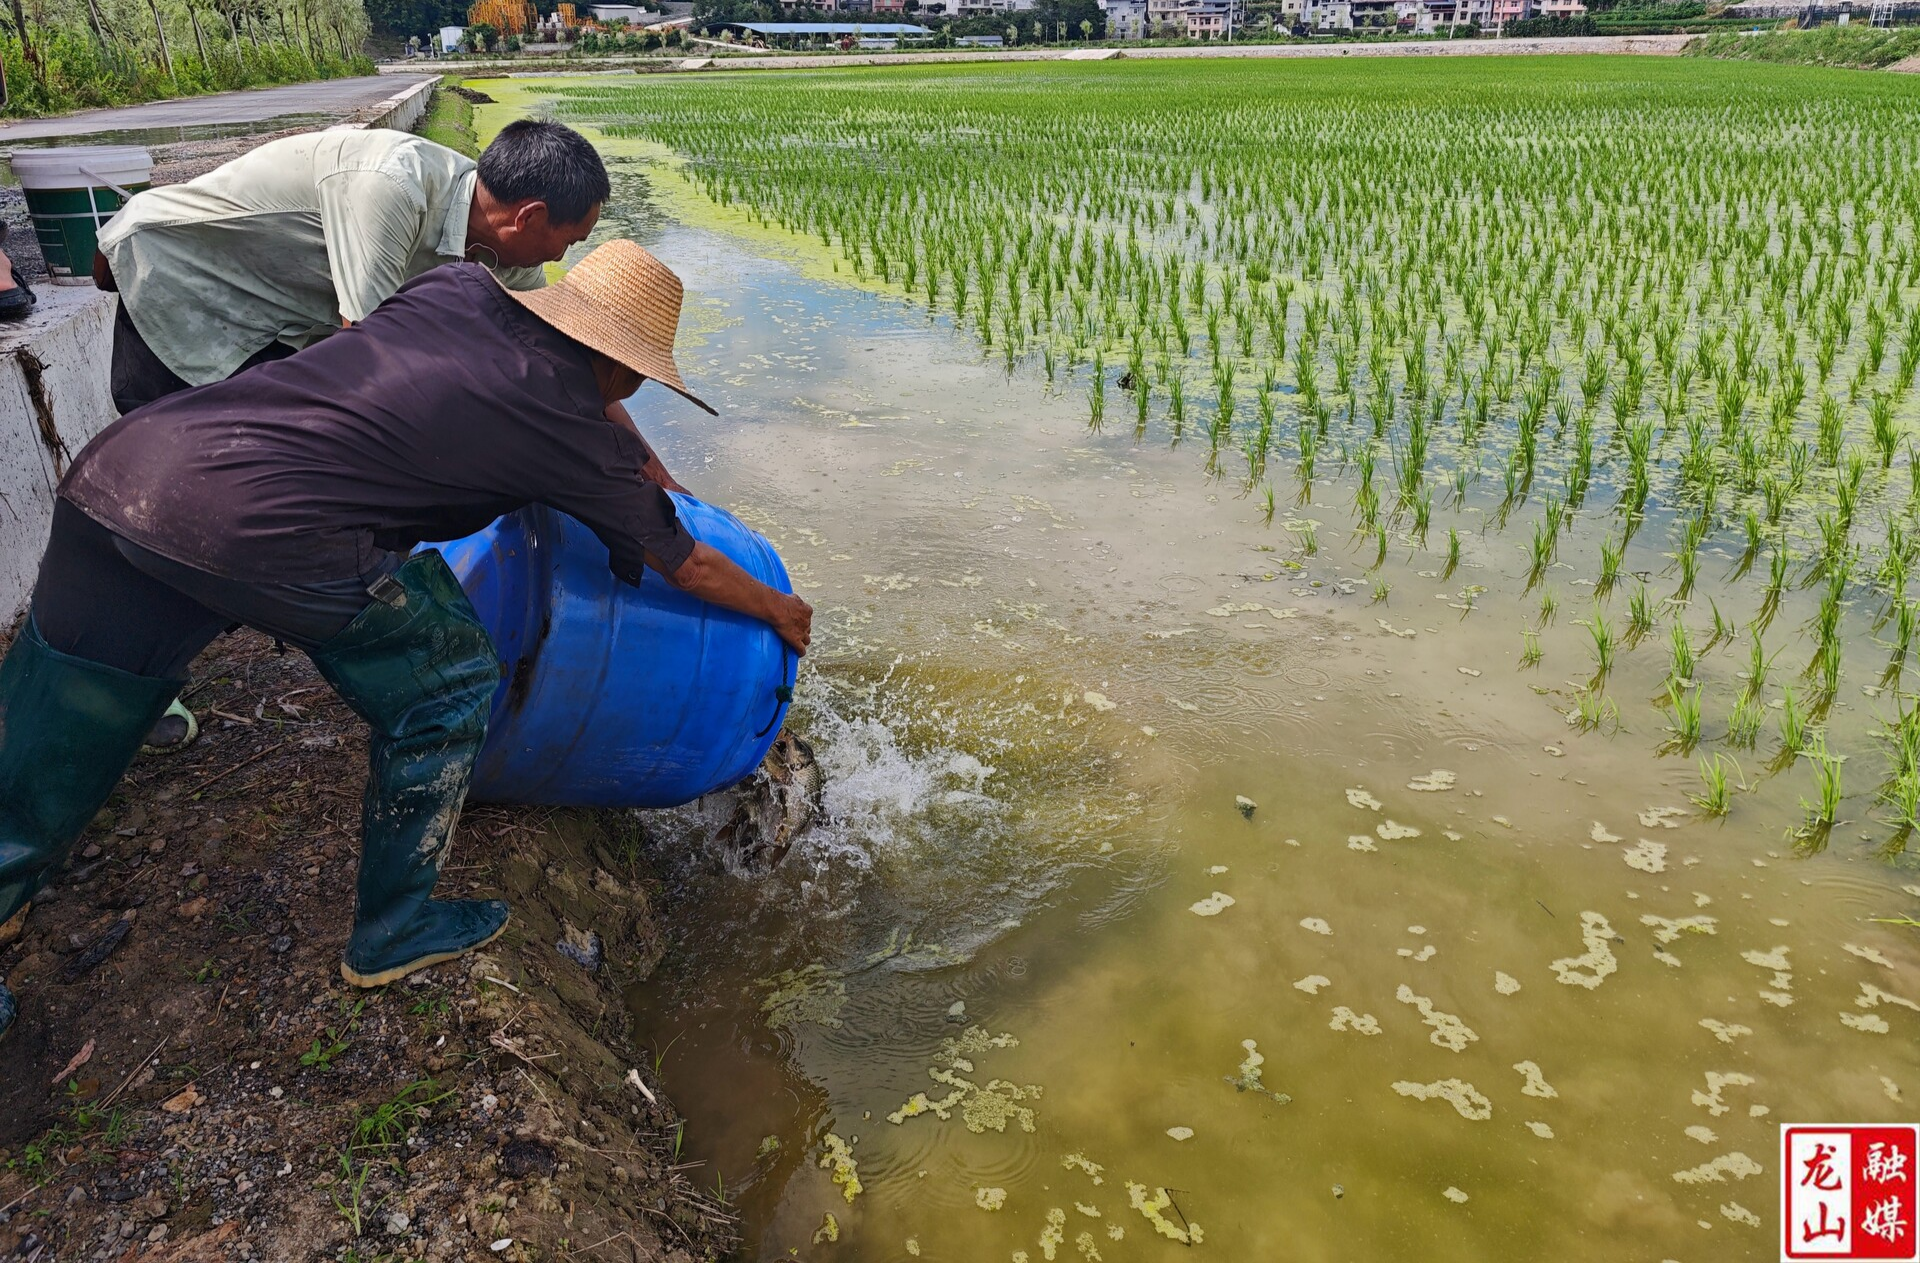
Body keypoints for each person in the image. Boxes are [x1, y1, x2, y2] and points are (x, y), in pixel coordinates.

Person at [0, 240, 812, 1040]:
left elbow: (565, 396)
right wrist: (779, 609)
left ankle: (9, 883)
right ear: (626, 367)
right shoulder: (569, 435)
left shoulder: (457, 289)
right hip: (267, 531)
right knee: (451, 679)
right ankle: (393, 928)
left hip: (129, 470)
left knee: (73, 701)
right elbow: (691, 565)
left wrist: (648, 467)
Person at [93, 119, 684, 750]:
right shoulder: (390, 187)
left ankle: (229, 616)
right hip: (186, 282)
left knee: (251, 499)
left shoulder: (506, 261)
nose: (561, 260)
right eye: (569, 242)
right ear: (529, 216)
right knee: (174, 501)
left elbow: (574, 370)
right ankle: (114, 685)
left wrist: (654, 470)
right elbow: (373, 362)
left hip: (279, 323)